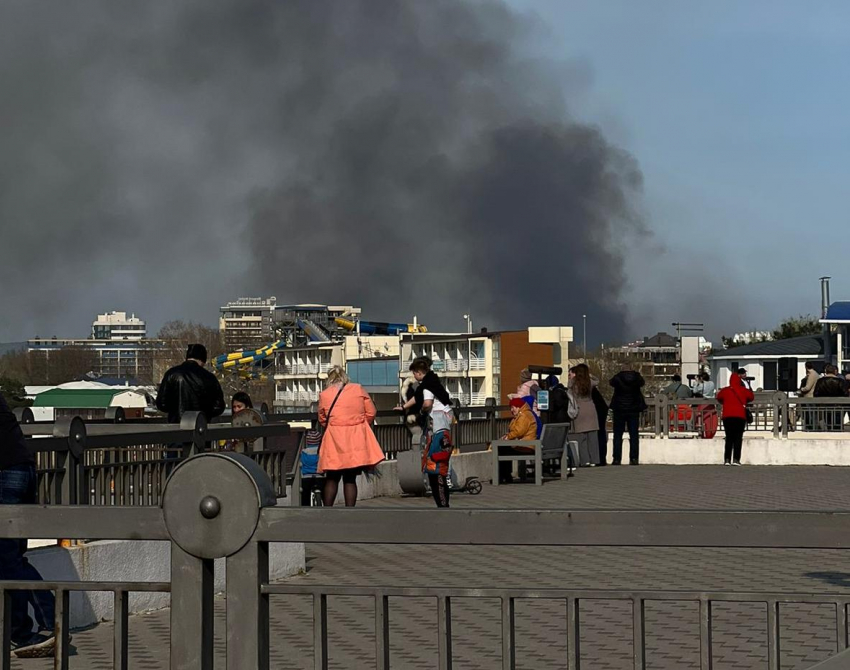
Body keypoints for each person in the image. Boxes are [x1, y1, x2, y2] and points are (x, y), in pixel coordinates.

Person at [0, 391, 57, 658]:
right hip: (22, 468)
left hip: (4, 472)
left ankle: (28, 632)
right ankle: (47, 622)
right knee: (13, 557)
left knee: (6, 557)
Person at [318, 366, 385, 507]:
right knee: (350, 478)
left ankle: (327, 510)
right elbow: (371, 412)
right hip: (355, 438)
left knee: (332, 477)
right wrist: (359, 424)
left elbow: (322, 418)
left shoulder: (325, 395)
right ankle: (350, 510)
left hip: (334, 438)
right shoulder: (357, 389)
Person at [156, 343, 226, 424]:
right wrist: (205, 414)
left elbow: (162, 404)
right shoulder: (209, 377)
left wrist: (174, 410)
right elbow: (218, 407)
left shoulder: (171, 374)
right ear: (203, 360)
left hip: (176, 426)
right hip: (200, 427)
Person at [609, 366, 646, 465]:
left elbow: (610, 382)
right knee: (634, 435)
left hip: (619, 409)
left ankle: (616, 458)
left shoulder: (617, 378)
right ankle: (634, 458)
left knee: (617, 435)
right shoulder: (637, 377)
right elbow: (642, 383)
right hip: (633, 409)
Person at [716, 371, 754, 465]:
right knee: (738, 438)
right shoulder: (743, 390)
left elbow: (719, 397)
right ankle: (736, 459)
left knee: (729, 438)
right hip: (740, 416)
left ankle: (727, 460)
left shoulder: (725, 390)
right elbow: (751, 397)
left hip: (727, 416)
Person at [497, 397, 538, 483]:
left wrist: (508, 437)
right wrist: (508, 436)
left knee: (503, 449)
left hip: (526, 447)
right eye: (511, 408)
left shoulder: (524, 416)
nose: (511, 410)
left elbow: (518, 431)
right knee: (504, 448)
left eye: (513, 407)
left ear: (519, 407)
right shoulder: (522, 415)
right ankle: (506, 476)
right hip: (527, 445)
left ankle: (503, 477)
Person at [567, 364, 600, 466]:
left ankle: (585, 460)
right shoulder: (590, 382)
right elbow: (597, 380)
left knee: (581, 438)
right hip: (590, 409)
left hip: (579, 410)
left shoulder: (573, 382)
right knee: (593, 438)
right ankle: (595, 460)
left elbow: (568, 388)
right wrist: (590, 375)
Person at [814, 364, 847, 431]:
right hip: (838, 406)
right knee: (837, 424)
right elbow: (845, 394)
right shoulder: (840, 381)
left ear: (826, 371)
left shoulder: (820, 381)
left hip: (824, 406)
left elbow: (816, 393)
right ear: (835, 371)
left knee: (828, 423)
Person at [799, 362, 821, 431]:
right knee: (813, 413)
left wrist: (802, 389)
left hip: (810, 396)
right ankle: (813, 427)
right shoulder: (816, 374)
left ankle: (812, 428)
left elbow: (808, 387)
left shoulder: (812, 374)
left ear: (806, 367)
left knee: (811, 413)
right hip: (813, 396)